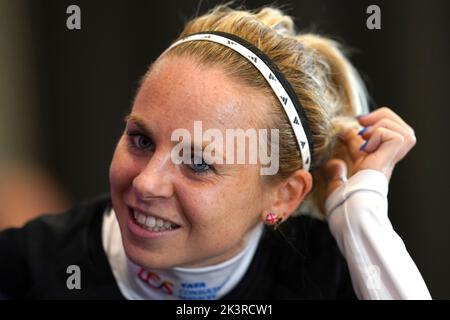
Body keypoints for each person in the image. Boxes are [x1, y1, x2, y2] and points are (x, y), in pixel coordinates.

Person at [0, 5, 431, 300]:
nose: (146, 182)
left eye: (199, 163)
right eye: (141, 140)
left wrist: (361, 213)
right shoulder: (31, 268)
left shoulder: (326, 273)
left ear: (283, 196)